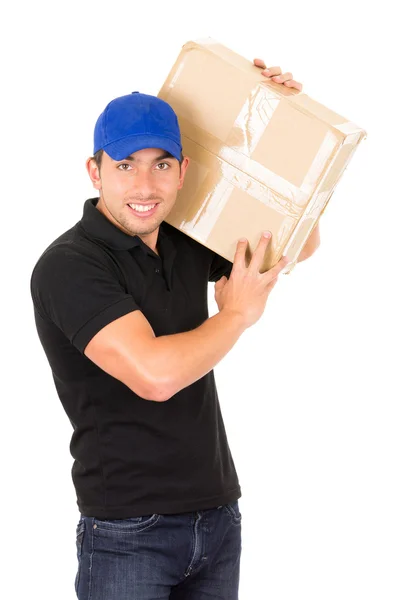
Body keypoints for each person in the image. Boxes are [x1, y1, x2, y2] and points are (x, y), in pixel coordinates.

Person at [30, 60, 319, 600]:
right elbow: (155, 375)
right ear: (95, 172)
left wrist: (286, 124)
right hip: (127, 532)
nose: (145, 185)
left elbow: (298, 242)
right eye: (125, 166)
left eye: (161, 166)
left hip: (216, 516)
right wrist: (235, 315)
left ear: (184, 170)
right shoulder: (69, 265)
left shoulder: (185, 237)